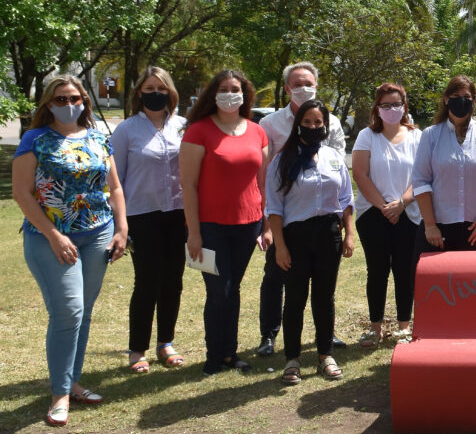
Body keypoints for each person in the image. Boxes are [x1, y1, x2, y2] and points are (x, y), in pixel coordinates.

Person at [12, 75, 128, 426]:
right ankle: (60, 393)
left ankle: (74, 382)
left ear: (85, 101)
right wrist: (53, 235)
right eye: (60, 100)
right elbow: (21, 193)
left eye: (74, 98)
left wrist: (122, 228)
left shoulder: (97, 137)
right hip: (50, 238)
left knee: (84, 311)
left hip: (97, 234)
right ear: (48, 104)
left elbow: (116, 188)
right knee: (69, 311)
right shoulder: (35, 139)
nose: (68, 105)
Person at [180, 69, 270, 376]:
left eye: (236, 88)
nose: (230, 93)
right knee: (218, 290)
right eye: (224, 88)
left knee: (234, 289)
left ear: (245, 94)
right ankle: (214, 355)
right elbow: (188, 185)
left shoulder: (257, 131)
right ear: (212, 94)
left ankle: (230, 353)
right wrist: (193, 233)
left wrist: (267, 225)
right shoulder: (198, 131)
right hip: (209, 227)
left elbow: (263, 182)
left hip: (248, 224)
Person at [256, 62, 346, 356]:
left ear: (316, 86)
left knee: (324, 290)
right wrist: (269, 225)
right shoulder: (270, 124)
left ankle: (325, 340)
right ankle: (269, 335)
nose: (303, 88)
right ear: (287, 89)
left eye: (308, 83)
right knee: (276, 277)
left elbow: (336, 167)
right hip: (286, 218)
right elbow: (266, 173)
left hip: (322, 219)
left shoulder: (328, 121)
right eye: (296, 84)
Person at [266, 100, 355, 384]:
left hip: (328, 234)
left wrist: (349, 234)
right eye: (308, 123)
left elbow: (346, 200)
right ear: (298, 125)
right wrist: (280, 246)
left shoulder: (333, 156)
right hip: (295, 237)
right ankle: (292, 359)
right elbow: (274, 208)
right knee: (295, 298)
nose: (314, 128)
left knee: (324, 298)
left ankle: (324, 355)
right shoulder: (283, 159)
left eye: (319, 123)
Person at [111, 66, 187, 373]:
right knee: (146, 283)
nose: (155, 94)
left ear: (171, 92)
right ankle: (137, 349)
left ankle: (165, 343)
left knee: (174, 281)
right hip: (142, 216)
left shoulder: (184, 126)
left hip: (179, 215)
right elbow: (115, 180)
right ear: (138, 93)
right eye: (149, 89)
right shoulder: (126, 130)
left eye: (161, 88)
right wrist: (120, 225)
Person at [351, 82, 422, 347]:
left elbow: (423, 175)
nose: (391, 109)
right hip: (373, 213)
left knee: (405, 270)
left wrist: (401, 204)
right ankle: (375, 328)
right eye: (385, 105)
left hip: (410, 213)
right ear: (377, 108)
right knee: (377, 270)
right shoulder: (367, 136)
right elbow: (360, 173)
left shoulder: (418, 136)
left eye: (396, 104)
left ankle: (404, 327)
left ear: (404, 106)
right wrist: (384, 206)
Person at [413, 76, 476, 251]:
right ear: (446, 99)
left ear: (474, 101)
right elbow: (420, 181)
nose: (461, 100)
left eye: (466, 96)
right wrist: (430, 225)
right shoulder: (431, 135)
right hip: (439, 230)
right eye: (456, 95)